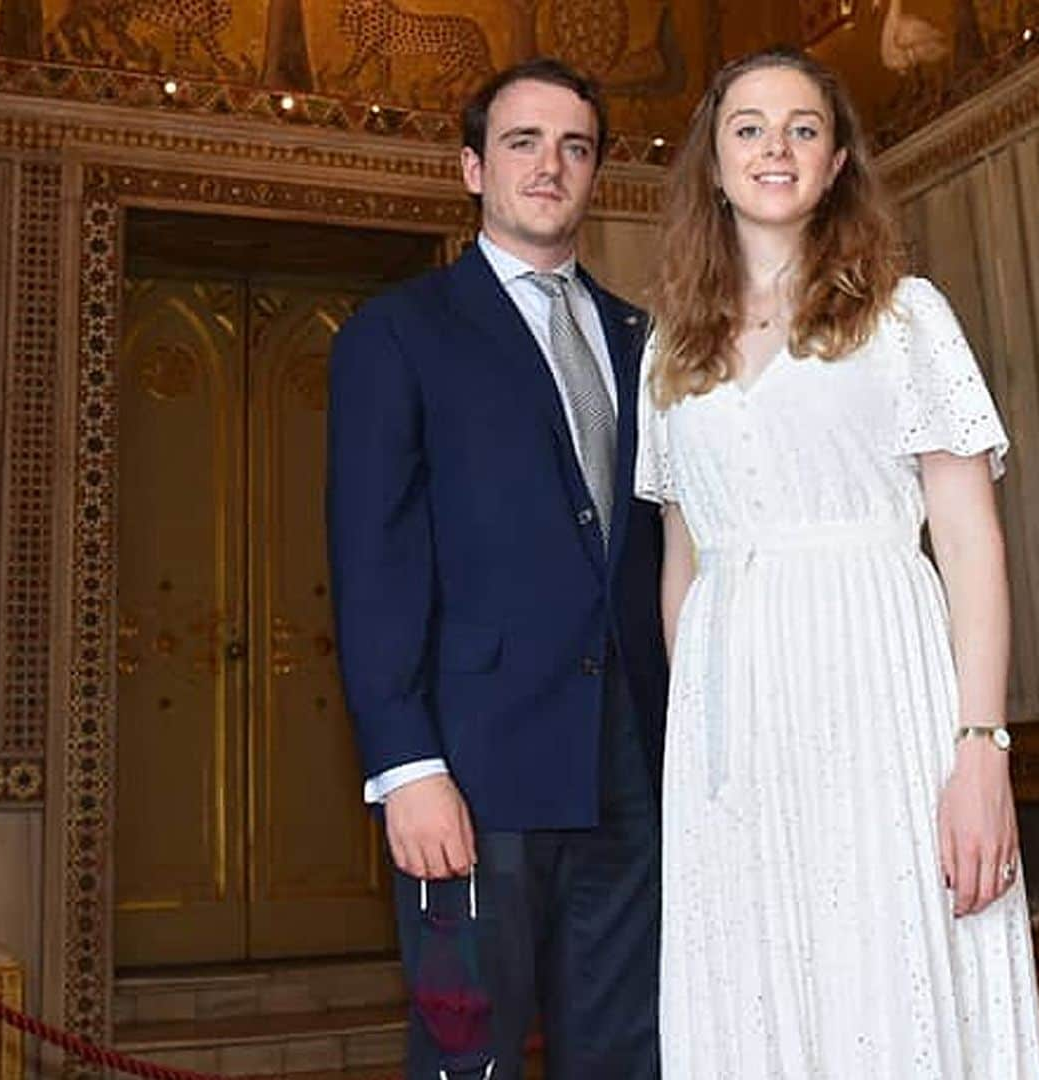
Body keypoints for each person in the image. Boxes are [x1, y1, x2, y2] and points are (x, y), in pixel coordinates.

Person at [636, 47, 1039, 1077]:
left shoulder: (909, 319)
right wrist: (703, 742)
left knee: (891, 958)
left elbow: (969, 541)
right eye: (749, 128)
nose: (775, 147)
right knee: (754, 986)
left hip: (882, 689)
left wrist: (981, 749)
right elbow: (681, 564)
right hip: (735, 723)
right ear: (713, 162)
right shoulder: (668, 351)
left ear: (835, 164)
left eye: (802, 128)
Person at [327, 57, 667, 1080]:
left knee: (623, 1055)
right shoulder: (399, 332)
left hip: (632, 774)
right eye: (522, 142)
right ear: (474, 167)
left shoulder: (643, 339)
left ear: (596, 172)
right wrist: (408, 767)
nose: (549, 166)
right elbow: (370, 554)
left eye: (574, 147)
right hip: (469, 775)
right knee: (463, 1056)